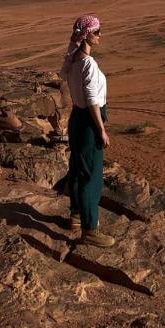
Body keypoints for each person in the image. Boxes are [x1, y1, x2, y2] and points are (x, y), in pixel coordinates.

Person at [61, 14, 114, 248]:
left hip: (76, 119)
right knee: (90, 177)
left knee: (77, 169)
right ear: (87, 35)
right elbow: (93, 100)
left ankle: (75, 216)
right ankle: (90, 230)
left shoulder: (72, 61)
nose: (100, 35)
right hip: (89, 122)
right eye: (97, 31)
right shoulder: (88, 64)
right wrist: (101, 130)